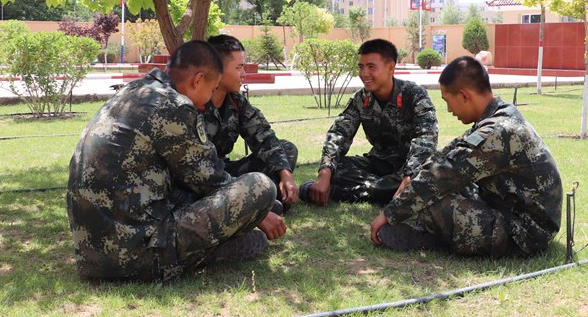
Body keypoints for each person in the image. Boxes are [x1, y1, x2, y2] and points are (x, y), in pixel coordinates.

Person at [66, 40, 285, 282]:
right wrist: (259, 213)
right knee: (261, 188)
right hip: (136, 255)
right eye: (211, 90)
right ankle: (205, 254)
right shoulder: (173, 106)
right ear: (198, 79)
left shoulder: (131, 92)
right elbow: (210, 180)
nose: (208, 100)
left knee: (259, 205)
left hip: (92, 254)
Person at [370, 56, 562, 257]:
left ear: (463, 95)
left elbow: (444, 173)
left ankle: (432, 239)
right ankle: (439, 236)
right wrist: (413, 176)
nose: (449, 110)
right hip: (510, 209)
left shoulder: (497, 131)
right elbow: (450, 153)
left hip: (526, 234)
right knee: (426, 188)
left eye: (448, 101)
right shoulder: (497, 115)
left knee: (429, 200)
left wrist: (388, 213)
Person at [301, 38, 439, 206]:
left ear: (390, 67)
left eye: (371, 67)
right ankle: (388, 192)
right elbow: (339, 133)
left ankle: (340, 192)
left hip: (409, 167)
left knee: (425, 177)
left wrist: (409, 175)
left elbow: (426, 138)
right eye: (361, 67)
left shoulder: (414, 94)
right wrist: (325, 172)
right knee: (337, 168)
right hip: (378, 164)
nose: (364, 74)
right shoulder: (361, 98)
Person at [204, 34, 298, 210]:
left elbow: (264, 137)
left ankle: (265, 200)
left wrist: (286, 176)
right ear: (217, 69)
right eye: (238, 68)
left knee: (286, 149)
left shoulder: (235, 101)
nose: (244, 74)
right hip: (200, 180)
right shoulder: (194, 103)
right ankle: (258, 203)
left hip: (225, 173)